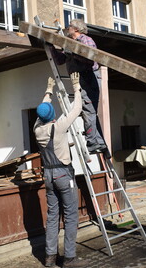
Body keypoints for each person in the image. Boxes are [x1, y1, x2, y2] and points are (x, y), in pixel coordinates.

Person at [34, 73, 88, 268]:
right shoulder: (59, 127)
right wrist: (76, 87)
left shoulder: (37, 129)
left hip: (47, 175)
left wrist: (48, 90)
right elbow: (77, 108)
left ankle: (49, 258)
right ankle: (69, 259)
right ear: (53, 115)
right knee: (71, 215)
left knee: (52, 216)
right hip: (64, 175)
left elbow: (42, 109)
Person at [51, 18, 107, 154]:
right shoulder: (71, 44)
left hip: (89, 77)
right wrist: (51, 47)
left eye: (69, 26)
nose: (67, 28)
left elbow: (90, 59)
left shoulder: (85, 40)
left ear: (76, 29)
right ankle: (97, 141)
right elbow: (60, 60)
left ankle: (92, 142)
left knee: (89, 110)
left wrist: (73, 53)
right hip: (80, 78)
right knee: (90, 110)